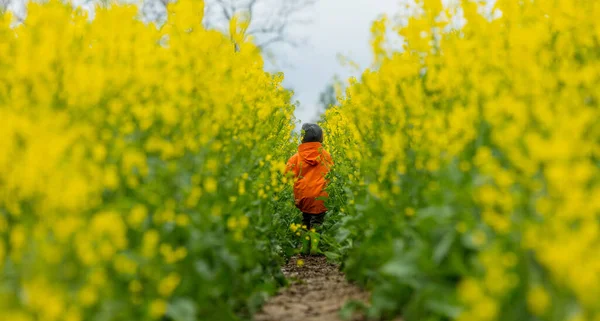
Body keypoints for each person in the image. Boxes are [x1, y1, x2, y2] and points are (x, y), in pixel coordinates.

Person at [286, 123, 333, 255]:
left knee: (305, 220)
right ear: (320, 138)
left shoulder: (296, 157)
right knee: (316, 221)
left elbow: (287, 174)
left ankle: (304, 247)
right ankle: (314, 248)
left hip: (303, 196)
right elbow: (332, 173)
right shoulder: (326, 156)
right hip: (320, 196)